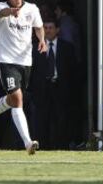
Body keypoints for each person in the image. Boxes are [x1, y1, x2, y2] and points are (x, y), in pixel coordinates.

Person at [0, 0, 47, 155]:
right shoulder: (1, 7)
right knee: (17, 99)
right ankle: (28, 143)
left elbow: (39, 26)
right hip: (6, 60)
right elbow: (2, 13)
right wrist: (11, 11)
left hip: (25, 61)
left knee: (12, 100)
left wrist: (41, 40)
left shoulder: (32, 9)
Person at [29, 19, 76, 150]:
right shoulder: (35, 47)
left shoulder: (67, 47)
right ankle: (42, 146)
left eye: (51, 28)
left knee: (61, 118)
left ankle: (61, 146)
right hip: (41, 88)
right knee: (41, 119)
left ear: (57, 30)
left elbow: (73, 70)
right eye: (45, 28)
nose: (48, 30)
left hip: (60, 87)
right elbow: (31, 71)